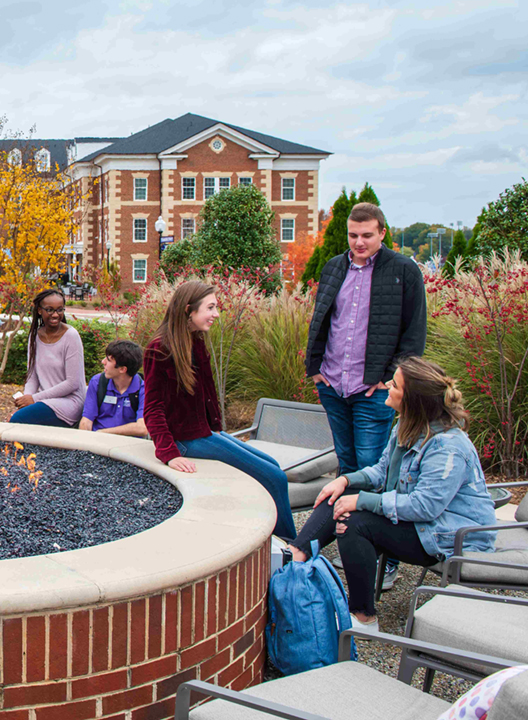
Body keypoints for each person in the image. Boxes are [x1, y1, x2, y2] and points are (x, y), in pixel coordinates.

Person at [284, 357, 495, 629]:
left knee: (352, 521)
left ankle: (363, 616)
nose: (386, 386)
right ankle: (295, 555)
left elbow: (424, 507)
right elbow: (381, 472)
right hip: (421, 524)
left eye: (393, 385)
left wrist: (362, 500)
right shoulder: (407, 426)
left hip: (450, 538)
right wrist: (346, 481)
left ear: (412, 399)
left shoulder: (448, 447)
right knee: (337, 497)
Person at [307, 202, 427, 586]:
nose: (359, 242)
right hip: (333, 386)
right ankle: (354, 548)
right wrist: (315, 370)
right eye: (353, 235)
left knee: (375, 476)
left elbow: (414, 333)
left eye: (367, 235)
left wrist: (390, 378)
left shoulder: (404, 271)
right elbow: (321, 320)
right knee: (347, 471)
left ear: (382, 234)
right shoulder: (334, 268)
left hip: (373, 391)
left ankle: (385, 562)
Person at [143, 281, 298, 539]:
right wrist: (169, 453)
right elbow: (152, 409)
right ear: (188, 310)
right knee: (274, 478)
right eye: (211, 307)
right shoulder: (160, 349)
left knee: (273, 466)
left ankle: (278, 540)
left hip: (203, 433)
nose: (216, 314)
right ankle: (291, 548)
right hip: (185, 441)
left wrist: (216, 430)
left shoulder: (195, 340)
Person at [10, 289, 86, 427]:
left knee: (18, 420)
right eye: (50, 310)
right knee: (20, 419)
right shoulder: (35, 336)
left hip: (69, 402)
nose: (56, 315)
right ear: (40, 310)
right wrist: (26, 400)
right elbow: (32, 376)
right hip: (45, 400)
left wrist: (34, 399)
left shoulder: (71, 336)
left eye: (59, 310)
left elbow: (72, 383)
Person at [80, 340, 147, 436]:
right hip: (96, 443)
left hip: (127, 445)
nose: (103, 362)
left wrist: (103, 433)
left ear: (122, 369)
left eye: (109, 360)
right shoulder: (97, 382)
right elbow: (86, 421)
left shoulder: (143, 389)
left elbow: (142, 428)